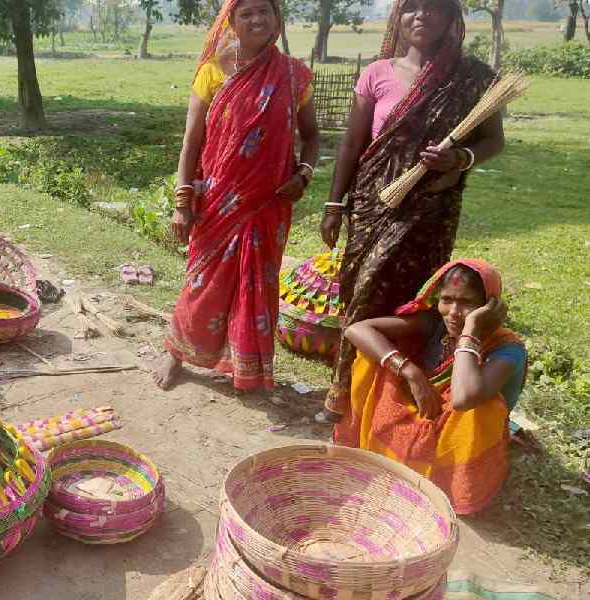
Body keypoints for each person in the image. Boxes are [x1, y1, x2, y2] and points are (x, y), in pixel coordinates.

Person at [317, 0, 506, 422]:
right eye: (411, 8)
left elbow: (494, 140)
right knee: (360, 291)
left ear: (450, 19)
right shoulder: (377, 72)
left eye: (433, 9)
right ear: (398, 18)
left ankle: (393, 391)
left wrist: (460, 158)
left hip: (431, 207)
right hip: (372, 203)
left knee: (412, 298)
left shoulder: (474, 79)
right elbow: (352, 144)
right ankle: (344, 386)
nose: (421, 16)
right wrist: (334, 204)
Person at [153, 0, 320, 391]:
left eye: (265, 11)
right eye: (246, 13)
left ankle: (249, 368)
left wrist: (305, 173)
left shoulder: (295, 77)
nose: (257, 19)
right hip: (218, 202)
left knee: (257, 286)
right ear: (231, 21)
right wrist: (182, 203)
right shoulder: (212, 72)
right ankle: (176, 353)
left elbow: (312, 137)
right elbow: (191, 144)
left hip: (269, 203)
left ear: (278, 18)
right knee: (202, 282)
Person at [334, 260, 526, 514]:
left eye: (467, 303)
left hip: (457, 430)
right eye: (447, 299)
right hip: (427, 407)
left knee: (481, 408)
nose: (454, 312)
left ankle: (451, 483)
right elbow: (357, 330)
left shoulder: (507, 349)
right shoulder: (435, 323)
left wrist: (470, 331)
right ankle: (380, 448)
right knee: (375, 360)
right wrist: (411, 373)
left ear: (489, 306)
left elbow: (462, 399)